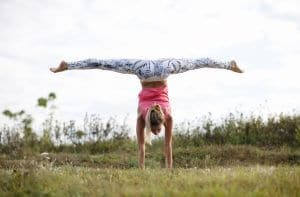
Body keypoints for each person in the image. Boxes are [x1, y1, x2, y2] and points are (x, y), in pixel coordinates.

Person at [50, 58, 243, 169]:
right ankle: (230, 64)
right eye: (158, 130)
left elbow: (147, 148)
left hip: (149, 68)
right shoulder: (148, 117)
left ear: (156, 122)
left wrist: (151, 170)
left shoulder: (157, 117)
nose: (158, 132)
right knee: (198, 63)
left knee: (103, 63)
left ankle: (67, 65)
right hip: (157, 68)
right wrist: (168, 171)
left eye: (157, 129)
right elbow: (165, 146)